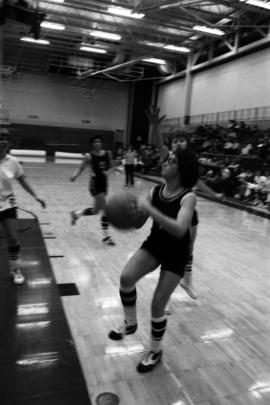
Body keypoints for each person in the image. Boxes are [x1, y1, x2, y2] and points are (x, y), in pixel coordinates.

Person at [108, 148, 199, 373]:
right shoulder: (155, 191)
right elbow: (139, 224)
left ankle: (155, 350)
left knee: (158, 304)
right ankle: (130, 322)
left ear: (181, 170)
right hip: (156, 243)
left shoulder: (188, 196)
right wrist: (129, 211)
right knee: (126, 277)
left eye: (172, 161)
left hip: (177, 251)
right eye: (167, 159)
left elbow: (180, 230)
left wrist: (149, 208)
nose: (166, 162)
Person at [146, 106, 224, 300]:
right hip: (167, 207)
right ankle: (164, 295)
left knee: (188, 248)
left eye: (182, 140)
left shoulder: (189, 162)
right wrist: (155, 126)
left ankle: (187, 281)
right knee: (166, 250)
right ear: (171, 144)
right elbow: (157, 143)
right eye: (175, 140)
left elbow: (198, 182)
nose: (178, 143)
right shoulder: (167, 156)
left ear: (187, 143)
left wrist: (213, 194)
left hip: (187, 209)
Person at [0, 130, 46, 285]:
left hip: (7, 204)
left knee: (13, 238)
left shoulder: (13, 162)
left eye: (6, 139)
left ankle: (15, 269)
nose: (4, 141)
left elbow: (22, 181)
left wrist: (36, 195)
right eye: (1, 138)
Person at [70, 135, 115, 246]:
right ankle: (106, 236)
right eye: (95, 142)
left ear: (101, 143)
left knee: (95, 211)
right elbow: (81, 168)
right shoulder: (89, 156)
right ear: (92, 144)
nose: (97, 143)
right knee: (105, 210)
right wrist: (75, 176)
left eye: (99, 142)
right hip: (94, 185)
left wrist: (108, 172)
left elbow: (112, 167)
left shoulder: (108, 154)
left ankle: (76, 214)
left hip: (104, 184)